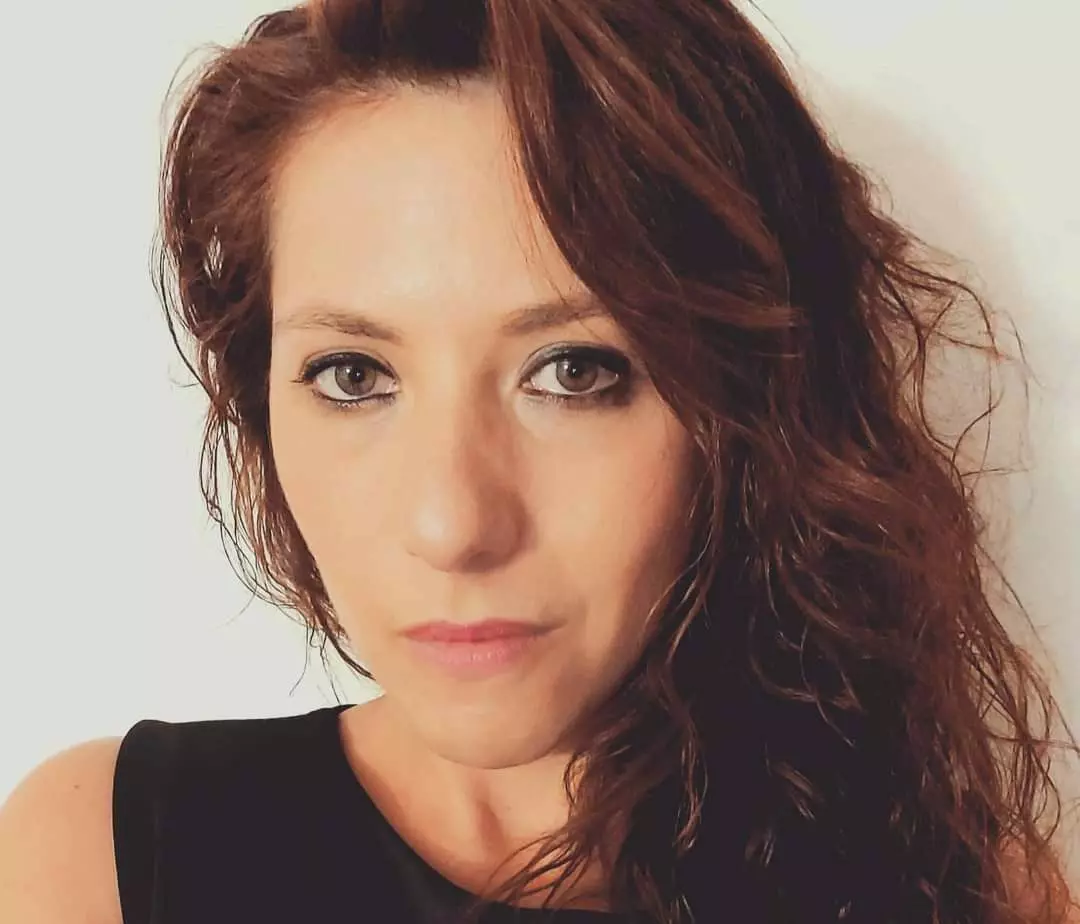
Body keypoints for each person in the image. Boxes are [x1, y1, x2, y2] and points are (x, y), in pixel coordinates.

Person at [1, 1, 1077, 921]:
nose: (453, 523)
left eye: (573, 371)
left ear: (749, 403)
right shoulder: (102, 863)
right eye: (353, 375)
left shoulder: (971, 896)